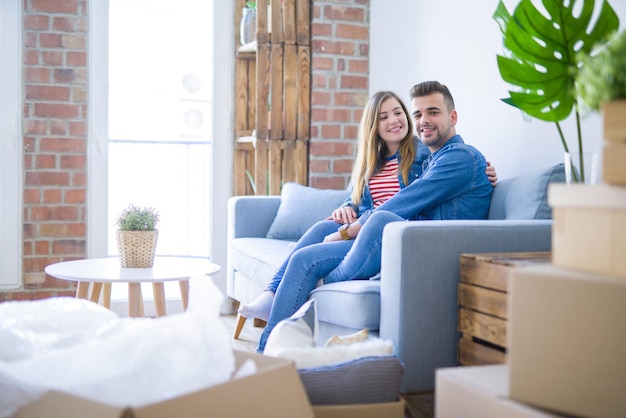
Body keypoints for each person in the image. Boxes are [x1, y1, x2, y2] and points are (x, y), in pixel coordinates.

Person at [240, 82, 495, 352]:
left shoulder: (450, 157)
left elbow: (403, 201)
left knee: (370, 225)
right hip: (397, 238)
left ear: (452, 117)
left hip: (414, 246)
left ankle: (271, 349)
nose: (423, 121)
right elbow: (365, 199)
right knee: (319, 236)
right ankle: (273, 311)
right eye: (418, 114)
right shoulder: (435, 159)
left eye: (433, 112)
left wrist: (346, 231)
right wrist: (346, 211)